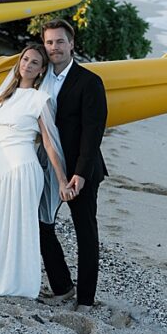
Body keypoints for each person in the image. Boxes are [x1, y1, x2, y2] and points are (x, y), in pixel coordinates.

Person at [0, 43, 71, 298]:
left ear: (41, 71)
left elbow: (49, 143)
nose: (28, 65)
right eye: (25, 60)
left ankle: (14, 280)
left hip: (23, 170)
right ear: (19, 62)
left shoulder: (40, 99)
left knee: (17, 227)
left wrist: (62, 180)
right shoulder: (3, 97)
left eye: (34, 63)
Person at [38, 18, 108, 311]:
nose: (54, 47)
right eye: (49, 42)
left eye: (60, 42)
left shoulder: (89, 81)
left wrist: (79, 174)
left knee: (85, 233)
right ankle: (62, 286)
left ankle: (86, 300)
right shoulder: (39, 78)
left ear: (72, 44)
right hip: (48, 167)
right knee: (42, 226)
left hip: (81, 171)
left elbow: (94, 132)